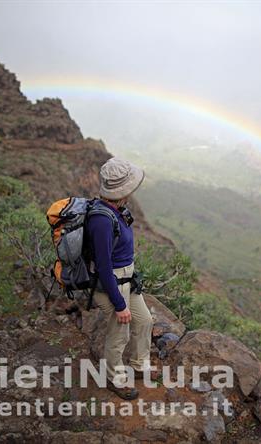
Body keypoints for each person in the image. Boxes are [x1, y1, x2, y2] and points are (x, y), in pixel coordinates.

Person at [87, 157, 154, 400]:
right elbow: (104, 267)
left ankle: (138, 366)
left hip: (127, 279)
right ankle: (114, 379)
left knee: (145, 320)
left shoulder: (117, 210)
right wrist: (119, 304)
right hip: (112, 284)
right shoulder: (102, 220)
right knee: (120, 334)